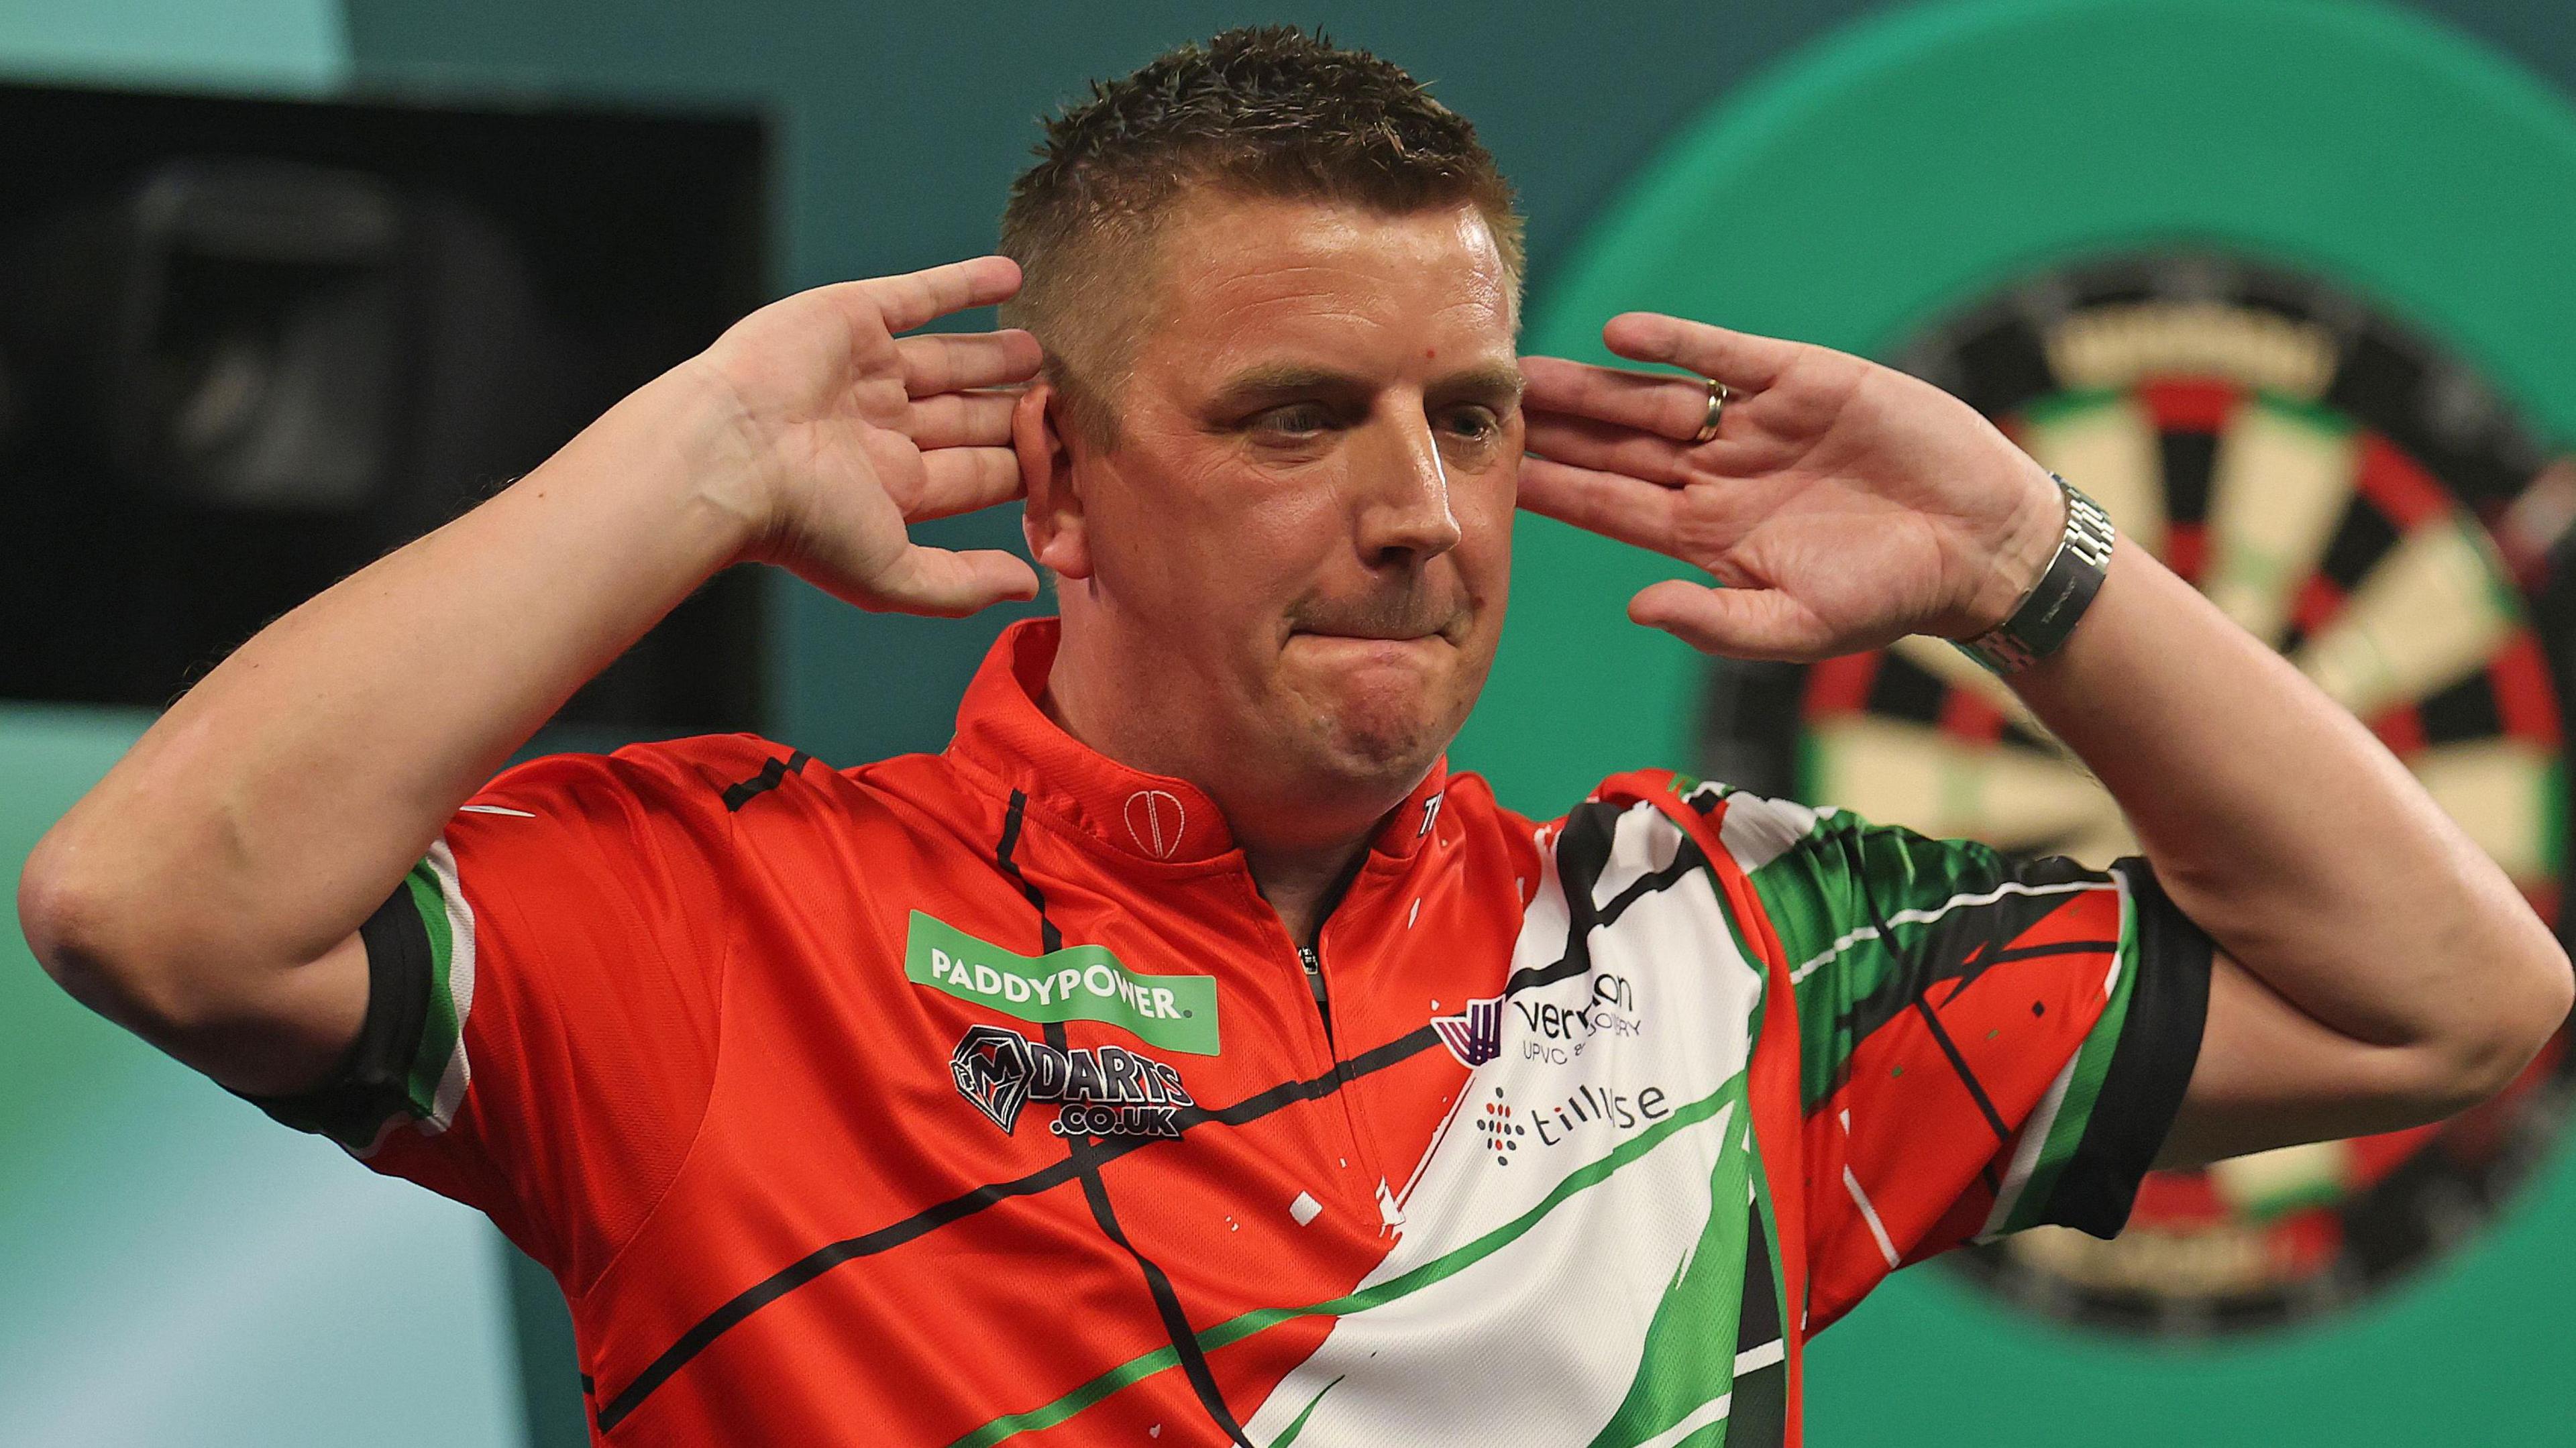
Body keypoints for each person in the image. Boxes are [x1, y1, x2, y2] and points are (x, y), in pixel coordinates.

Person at [18, 27, 2568, 1448]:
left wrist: (2038, 564)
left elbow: (2447, 998)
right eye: (1289, 419)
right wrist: (677, 465)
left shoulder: (1733, 952)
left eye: (1464, 414)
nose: (1412, 513)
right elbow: (155, 902)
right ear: (1058, 474)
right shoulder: (736, 920)